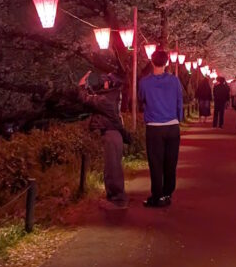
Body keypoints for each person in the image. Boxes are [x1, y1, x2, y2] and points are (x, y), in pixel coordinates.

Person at [138, 49, 183, 208]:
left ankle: (156, 196)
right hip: (172, 126)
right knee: (171, 162)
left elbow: (141, 99)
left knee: (156, 162)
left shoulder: (144, 82)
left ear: (151, 61)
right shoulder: (174, 81)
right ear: (166, 63)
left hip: (154, 127)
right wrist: (179, 119)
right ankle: (167, 193)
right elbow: (179, 101)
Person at [78, 70, 130, 210]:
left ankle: (117, 200)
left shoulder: (106, 100)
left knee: (112, 168)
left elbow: (87, 99)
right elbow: (95, 98)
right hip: (114, 134)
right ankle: (115, 198)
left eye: (105, 81)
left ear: (110, 84)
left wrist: (82, 86)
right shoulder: (111, 96)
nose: (102, 83)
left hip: (111, 134)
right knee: (113, 166)